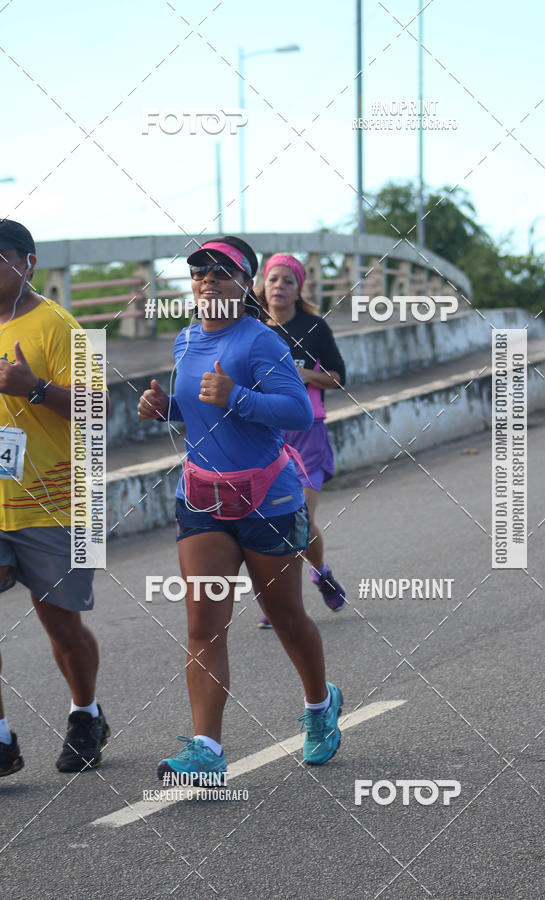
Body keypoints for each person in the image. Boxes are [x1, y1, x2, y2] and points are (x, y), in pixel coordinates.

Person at [138, 236, 343, 778]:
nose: (207, 281)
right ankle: (207, 751)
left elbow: (297, 413)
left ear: (245, 285)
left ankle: (320, 706)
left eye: (221, 273)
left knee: (286, 617)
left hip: (267, 501)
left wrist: (236, 396)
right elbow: (195, 409)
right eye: (199, 272)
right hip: (202, 499)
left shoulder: (262, 342)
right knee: (204, 623)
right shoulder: (185, 341)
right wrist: (162, 410)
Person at [0, 220, 109, 777]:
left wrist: (33, 389)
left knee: (61, 626)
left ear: (28, 262)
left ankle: (85, 714)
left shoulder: (59, 326)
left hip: (56, 501)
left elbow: (99, 411)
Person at [255, 253, 347, 629]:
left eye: (287, 281)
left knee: (301, 520)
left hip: (308, 431)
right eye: (273, 279)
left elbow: (339, 378)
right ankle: (279, 604)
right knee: (274, 522)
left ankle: (320, 573)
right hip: (265, 431)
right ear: (263, 284)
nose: (279, 287)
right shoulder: (253, 327)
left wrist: (303, 373)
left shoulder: (314, 327)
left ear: (298, 289)